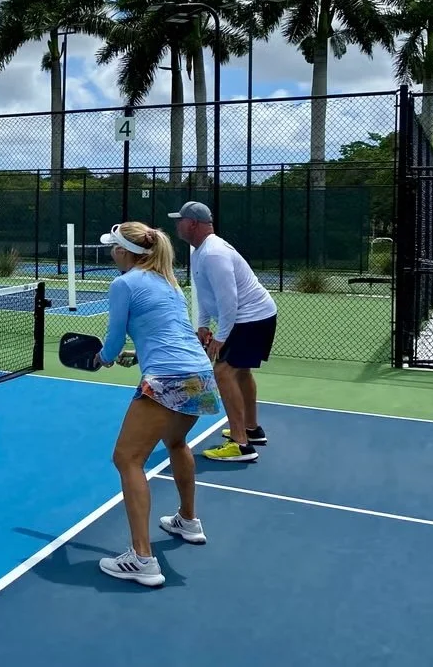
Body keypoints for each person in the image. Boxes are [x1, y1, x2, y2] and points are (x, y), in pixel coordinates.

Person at [93, 221, 222, 588]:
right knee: (177, 442)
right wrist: (139, 355)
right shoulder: (168, 282)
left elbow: (112, 341)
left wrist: (103, 358)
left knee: (127, 459)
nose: (111, 252)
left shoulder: (124, 284)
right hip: (200, 373)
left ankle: (142, 559)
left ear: (123, 251)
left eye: (113, 247)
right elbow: (168, 332)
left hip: (167, 377)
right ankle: (188, 520)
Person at [170, 201, 278, 462]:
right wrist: (203, 325)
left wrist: (220, 337)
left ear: (192, 224)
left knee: (223, 372)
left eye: (180, 220)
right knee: (241, 372)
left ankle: (240, 445)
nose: (176, 225)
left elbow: (229, 300)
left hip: (251, 317)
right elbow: (206, 294)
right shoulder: (199, 251)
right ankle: (251, 430)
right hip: (251, 317)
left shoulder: (213, 253)